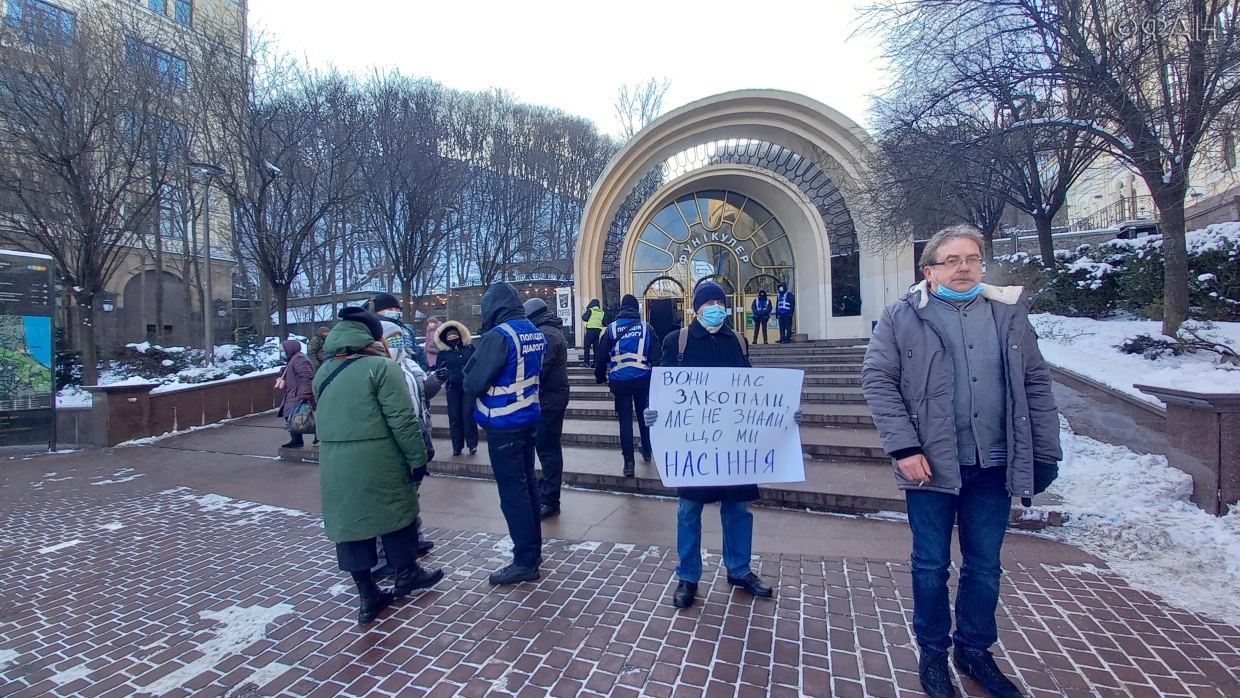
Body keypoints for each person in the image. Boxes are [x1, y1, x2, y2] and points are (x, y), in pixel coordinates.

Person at [861, 224, 1062, 698]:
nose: (963, 267)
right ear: (928, 270)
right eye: (950, 260)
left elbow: (1036, 382)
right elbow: (877, 381)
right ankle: (932, 655)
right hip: (929, 464)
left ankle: (973, 649)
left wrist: (1045, 451)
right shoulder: (901, 317)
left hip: (993, 463)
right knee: (930, 565)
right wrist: (904, 448)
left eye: (971, 258)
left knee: (985, 565)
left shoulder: (1007, 314)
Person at [641, 281, 778, 610]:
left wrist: (784, 413)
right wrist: (654, 410)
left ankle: (739, 569)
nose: (716, 307)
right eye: (709, 303)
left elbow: (753, 391)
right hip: (694, 446)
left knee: (738, 510)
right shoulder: (679, 342)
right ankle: (688, 576)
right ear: (697, 308)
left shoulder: (738, 342)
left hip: (733, 445)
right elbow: (665, 386)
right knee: (689, 511)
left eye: (720, 302)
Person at [314, 307, 444, 625]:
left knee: (351, 525)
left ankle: (367, 595)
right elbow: (402, 419)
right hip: (381, 459)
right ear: (373, 336)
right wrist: (417, 458)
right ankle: (407, 574)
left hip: (335, 463)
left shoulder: (324, 371)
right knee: (397, 515)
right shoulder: (381, 368)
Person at [463, 283, 547, 585]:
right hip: (527, 416)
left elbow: (473, 381)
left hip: (503, 421)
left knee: (513, 494)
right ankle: (533, 552)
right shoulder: (531, 330)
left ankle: (525, 560)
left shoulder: (499, 335)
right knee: (527, 488)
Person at [594, 294, 661, 478]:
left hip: (619, 381)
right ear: (636, 309)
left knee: (624, 422)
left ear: (621, 309)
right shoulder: (646, 329)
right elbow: (656, 357)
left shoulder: (611, 329)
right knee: (643, 417)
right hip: (643, 380)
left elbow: (601, 357)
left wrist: (599, 377)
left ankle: (628, 463)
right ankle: (646, 450)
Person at [524, 298, 570, 520]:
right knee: (545, 447)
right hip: (549, 398)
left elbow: (540, 367)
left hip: (550, 400)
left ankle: (551, 499)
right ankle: (548, 489)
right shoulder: (548, 330)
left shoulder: (547, 334)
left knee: (548, 447)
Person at [433, 321, 479, 456]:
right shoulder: (443, 353)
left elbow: (477, 363)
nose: (453, 340)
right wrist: (445, 375)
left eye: (455, 337)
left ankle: (472, 444)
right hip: (453, 388)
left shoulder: (469, 348)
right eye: (450, 338)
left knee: (468, 415)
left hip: (469, 387)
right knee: (454, 417)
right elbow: (438, 370)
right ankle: (457, 446)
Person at [372, 293, 429, 371]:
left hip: (411, 370)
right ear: (378, 311)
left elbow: (414, 348)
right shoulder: (373, 328)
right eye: (390, 309)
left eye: (397, 308)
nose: (395, 311)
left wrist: (422, 365)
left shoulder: (406, 329)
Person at [276, 339, 314, 449]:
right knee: (295, 416)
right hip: (294, 392)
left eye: (283, 350)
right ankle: (298, 439)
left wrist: (305, 392)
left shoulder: (298, 359)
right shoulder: (295, 358)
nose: (281, 353)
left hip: (298, 393)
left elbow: (306, 376)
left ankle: (297, 440)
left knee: (294, 416)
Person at [580, 298, 604, 367]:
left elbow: (584, 318)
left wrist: (585, 313)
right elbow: (603, 321)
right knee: (595, 347)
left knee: (586, 346)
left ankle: (586, 362)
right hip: (598, 330)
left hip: (590, 329)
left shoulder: (591, 310)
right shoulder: (601, 312)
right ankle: (595, 363)